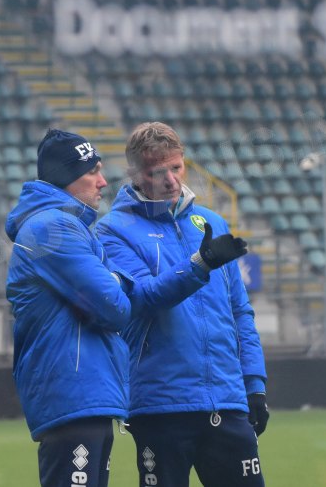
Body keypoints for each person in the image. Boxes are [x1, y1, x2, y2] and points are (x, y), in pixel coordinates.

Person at [96, 122, 268, 487]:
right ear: (135, 174)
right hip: (161, 405)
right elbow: (140, 298)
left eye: (176, 167)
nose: (171, 180)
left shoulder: (212, 222)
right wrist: (198, 265)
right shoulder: (112, 231)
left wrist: (254, 384)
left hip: (227, 398)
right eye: (157, 172)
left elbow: (239, 311)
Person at [5, 129, 134, 487]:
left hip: (83, 395)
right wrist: (118, 282)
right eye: (92, 171)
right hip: (73, 393)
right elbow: (115, 307)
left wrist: (113, 282)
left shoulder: (68, 226)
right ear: (67, 177)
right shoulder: (53, 227)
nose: (103, 182)